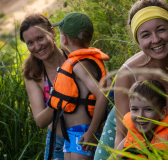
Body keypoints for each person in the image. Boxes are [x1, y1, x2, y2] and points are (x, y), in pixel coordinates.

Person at [94, 0, 168, 159]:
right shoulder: (128, 73)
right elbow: (122, 135)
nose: (156, 39)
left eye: (161, 30)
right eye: (146, 35)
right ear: (137, 41)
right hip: (127, 132)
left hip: (167, 137)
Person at [48, 12, 109, 160]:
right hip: (71, 133)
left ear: (65, 39)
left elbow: (102, 95)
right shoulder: (81, 61)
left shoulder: (80, 65)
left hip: (82, 132)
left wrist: (92, 132)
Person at [20, 14, 68, 160]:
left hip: (89, 136)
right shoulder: (33, 75)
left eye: (40, 38)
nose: (37, 47)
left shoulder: (75, 58)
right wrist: (60, 96)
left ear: (52, 32)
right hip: (58, 143)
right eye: (30, 43)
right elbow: (40, 121)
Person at [110, 79, 168, 159]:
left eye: (148, 109)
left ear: (163, 112)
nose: (140, 116)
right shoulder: (128, 140)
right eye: (135, 109)